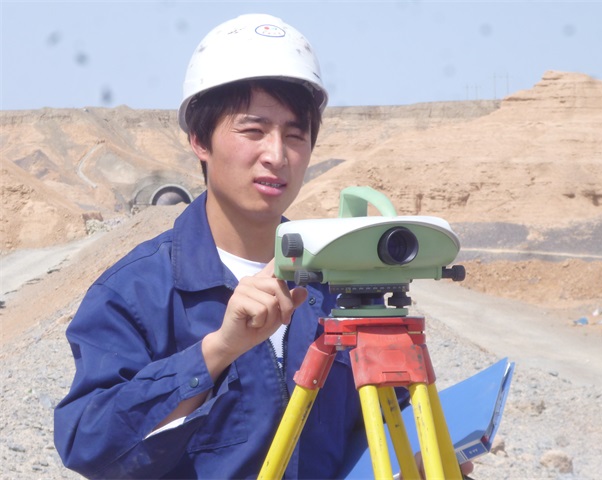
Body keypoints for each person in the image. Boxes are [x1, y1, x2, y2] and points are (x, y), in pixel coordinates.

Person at [54, 13, 472, 479]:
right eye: (253, 130)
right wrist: (217, 351)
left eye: (295, 135)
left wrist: (413, 463)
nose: (276, 154)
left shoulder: (338, 286)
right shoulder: (135, 291)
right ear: (199, 140)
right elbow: (86, 443)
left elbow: (374, 427)